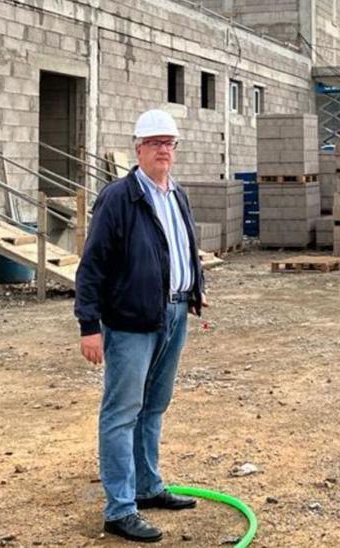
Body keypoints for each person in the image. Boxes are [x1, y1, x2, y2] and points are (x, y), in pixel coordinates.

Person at [75, 109, 205, 543]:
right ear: (139, 149)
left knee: (154, 406)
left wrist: (193, 292)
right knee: (121, 412)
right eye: (155, 143)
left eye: (169, 143)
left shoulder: (177, 194)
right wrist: (88, 324)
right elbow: (92, 264)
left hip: (173, 313)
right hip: (130, 321)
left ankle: (148, 487)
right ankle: (119, 509)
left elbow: (181, 250)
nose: (163, 150)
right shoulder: (119, 197)